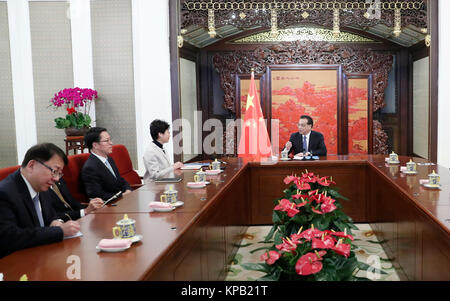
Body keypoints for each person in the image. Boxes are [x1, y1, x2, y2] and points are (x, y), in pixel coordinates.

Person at [0, 143, 80, 258]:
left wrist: (56, 222)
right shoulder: (5, 193)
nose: (56, 179)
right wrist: (59, 231)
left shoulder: (42, 186)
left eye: (59, 173)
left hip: (43, 255)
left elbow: (50, 216)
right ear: (31, 165)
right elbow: (10, 237)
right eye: (54, 171)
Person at [81, 127, 132, 201]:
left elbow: (119, 180)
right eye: (106, 141)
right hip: (110, 206)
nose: (111, 143)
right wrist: (121, 196)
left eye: (110, 139)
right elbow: (97, 195)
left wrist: (128, 190)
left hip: (122, 201)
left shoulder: (109, 159)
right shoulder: (90, 168)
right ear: (95, 145)